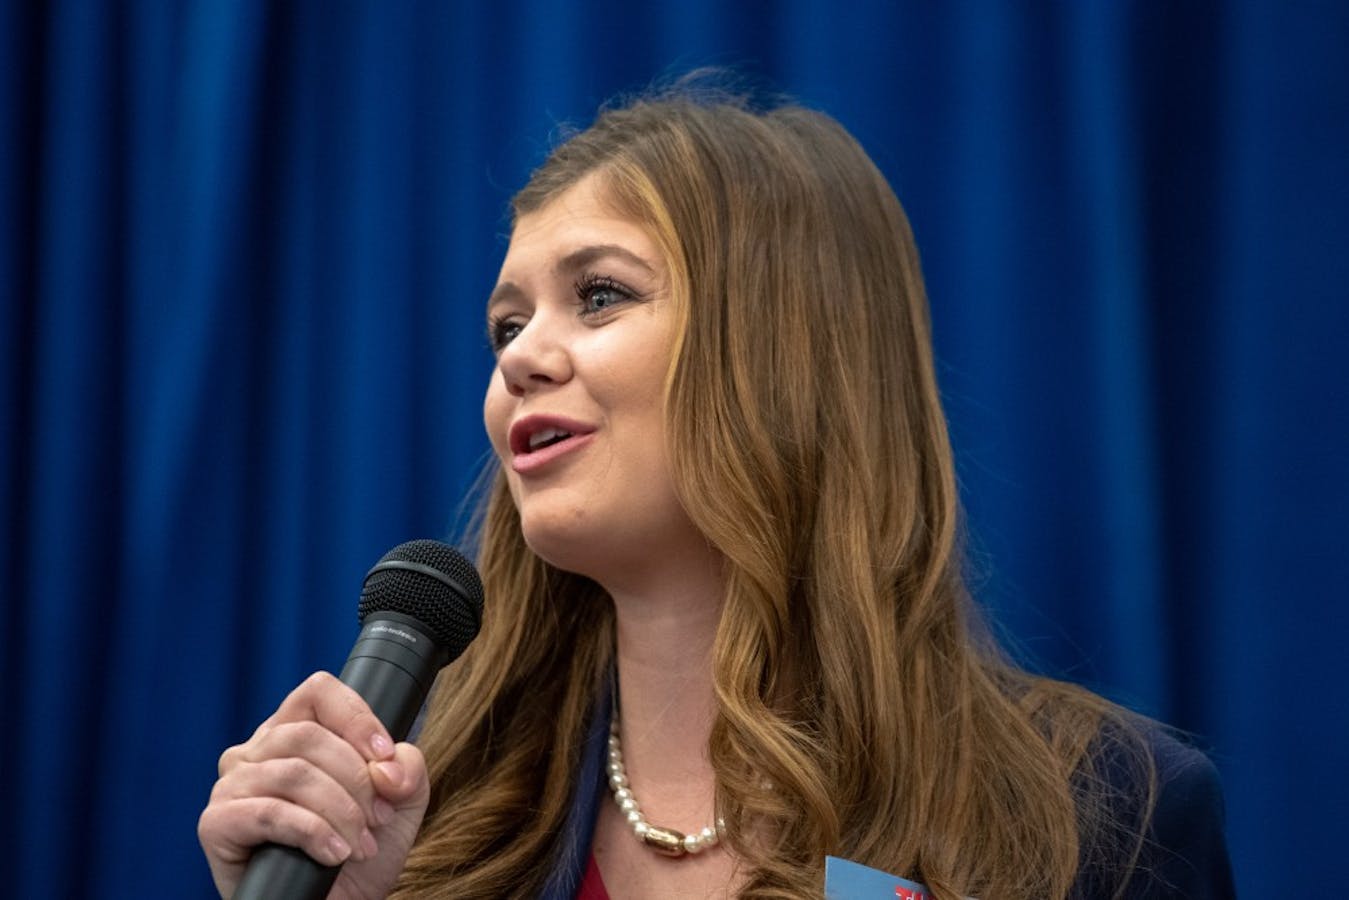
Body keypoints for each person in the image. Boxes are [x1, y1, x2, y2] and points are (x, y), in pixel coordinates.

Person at [199, 82, 1235, 899]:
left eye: (598, 296)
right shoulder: (422, 824)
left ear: (786, 351)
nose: (519, 359)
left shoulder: (1100, 814)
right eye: (506, 326)